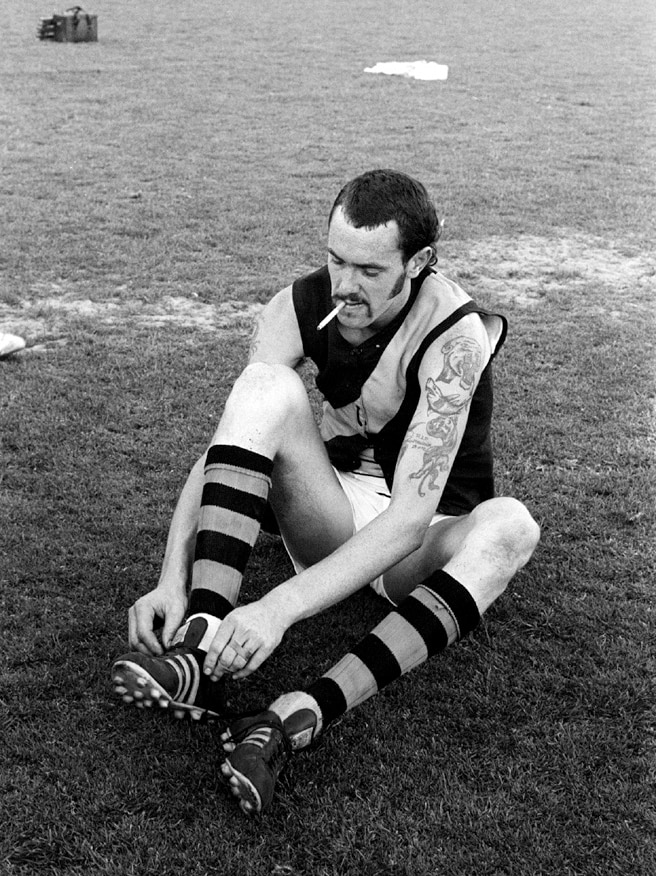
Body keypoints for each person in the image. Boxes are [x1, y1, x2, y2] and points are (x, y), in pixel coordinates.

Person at [111, 169, 540, 815]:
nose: (345, 283)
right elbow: (230, 442)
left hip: (418, 542)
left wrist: (276, 609)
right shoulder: (300, 304)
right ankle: (199, 646)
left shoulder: (456, 336)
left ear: (417, 262)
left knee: (511, 526)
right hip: (329, 514)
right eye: (336, 259)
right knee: (263, 384)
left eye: (370, 269)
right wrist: (170, 580)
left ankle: (294, 716)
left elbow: (405, 522)